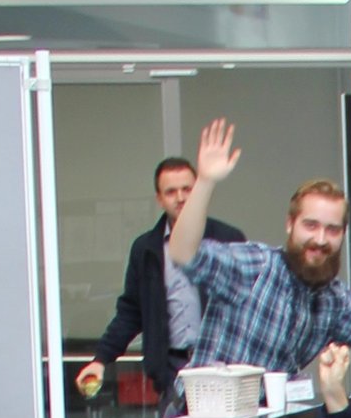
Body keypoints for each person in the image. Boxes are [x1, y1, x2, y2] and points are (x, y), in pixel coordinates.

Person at [165, 121, 351, 382]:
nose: (320, 239)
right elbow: (182, 253)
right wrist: (205, 181)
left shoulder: (334, 301)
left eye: (332, 229)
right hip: (206, 414)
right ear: (290, 224)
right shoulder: (254, 266)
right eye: (310, 225)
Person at [77, 151, 242, 402]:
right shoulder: (146, 249)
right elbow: (131, 312)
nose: (180, 198)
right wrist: (101, 359)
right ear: (159, 199)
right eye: (171, 192)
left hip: (223, 366)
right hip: (172, 372)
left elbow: (251, 304)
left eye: (187, 189)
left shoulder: (228, 239)